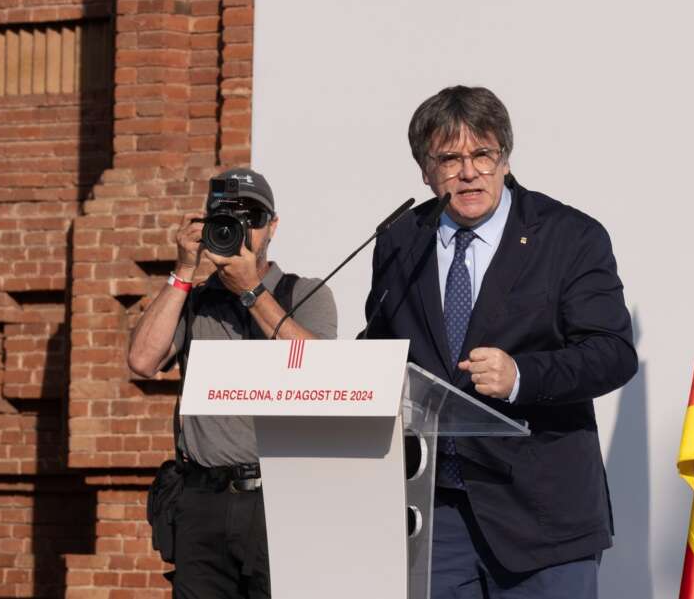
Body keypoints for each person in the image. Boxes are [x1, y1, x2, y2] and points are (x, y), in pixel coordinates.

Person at [364, 86, 637, 598]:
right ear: (425, 171)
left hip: (543, 518)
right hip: (436, 513)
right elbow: (382, 343)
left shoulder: (569, 236)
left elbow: (612, 353)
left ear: (505, 160)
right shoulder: (400, 239)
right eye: (449, 158)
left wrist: (522, 377)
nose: (468, 172)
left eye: (482, 154)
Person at [128, 167, 337, 599]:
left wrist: (251, 291)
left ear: (272, 226)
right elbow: (143, 360)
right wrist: (183, 272)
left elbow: (319, 370)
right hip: (200, 500)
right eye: (226, 219)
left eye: (253, 219)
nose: (241, 231)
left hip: (277, 500)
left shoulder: (305, 293)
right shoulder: (196, 299)